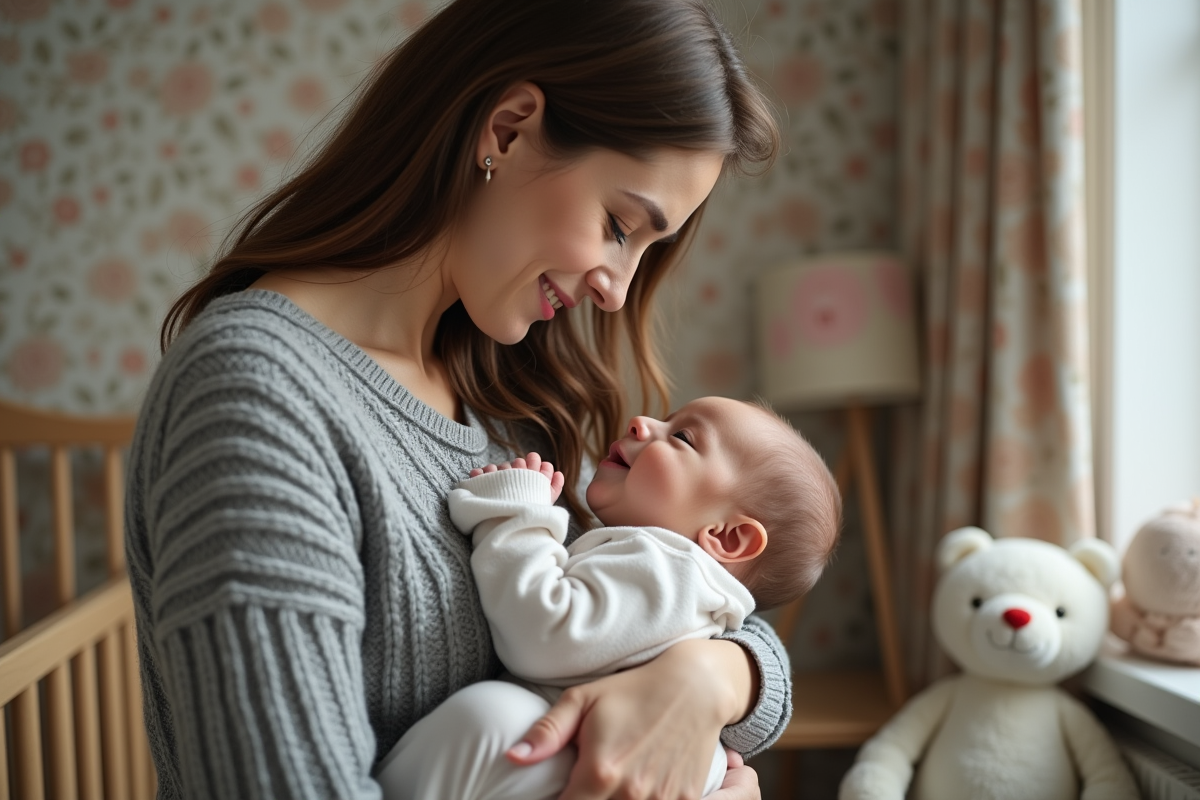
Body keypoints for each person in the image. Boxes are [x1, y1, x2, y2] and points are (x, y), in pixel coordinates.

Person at [125, 0, 790, 797]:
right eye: (619, 225)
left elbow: (701, 595)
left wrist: (708, 679)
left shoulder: (504, 395)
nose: (618, 292)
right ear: (506, 130)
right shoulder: (257, 396)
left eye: (650, 250)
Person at [375, 396, 842, 800]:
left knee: (489, 718)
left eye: (683, 438)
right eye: (666, 419)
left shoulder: (669, 566)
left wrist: (515, 515)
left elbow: (546, 634)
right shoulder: (687, 586)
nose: (642, 423)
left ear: (727, 536)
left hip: (576, 758)